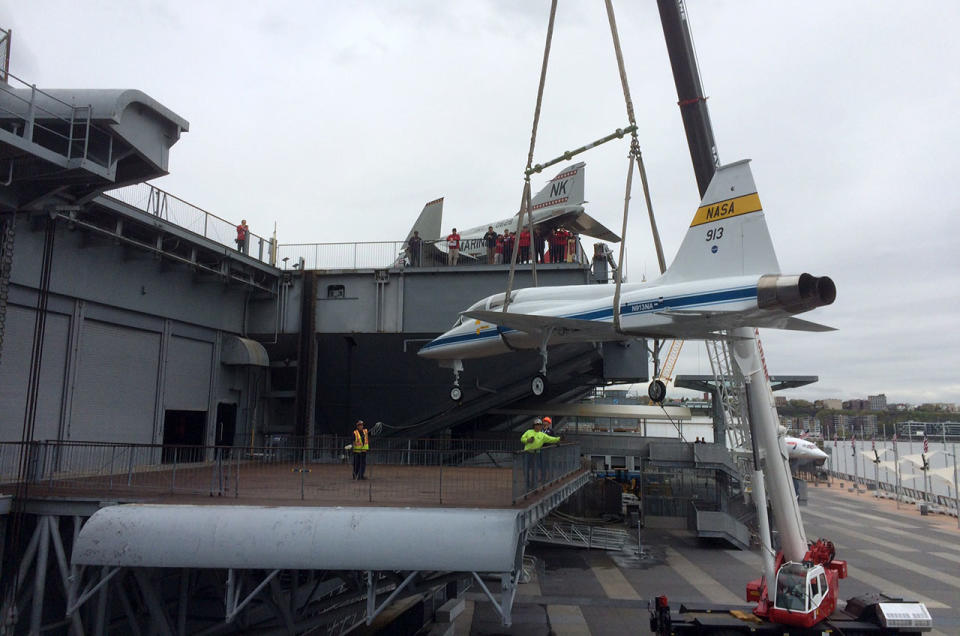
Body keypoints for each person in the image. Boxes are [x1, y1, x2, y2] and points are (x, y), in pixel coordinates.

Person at [520, 418, 561, 491]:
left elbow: (551, 439)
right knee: (526, 470)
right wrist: (527, 440)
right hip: (526, 453)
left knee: (535, 470)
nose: (538, 426)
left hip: (536, 454)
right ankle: (528, 485)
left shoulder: (542, 435)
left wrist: (559, 439)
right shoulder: (528, 432)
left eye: (539, 425)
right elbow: (522, 439)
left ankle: (533, 486)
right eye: (536, 425)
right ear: (534, 426)